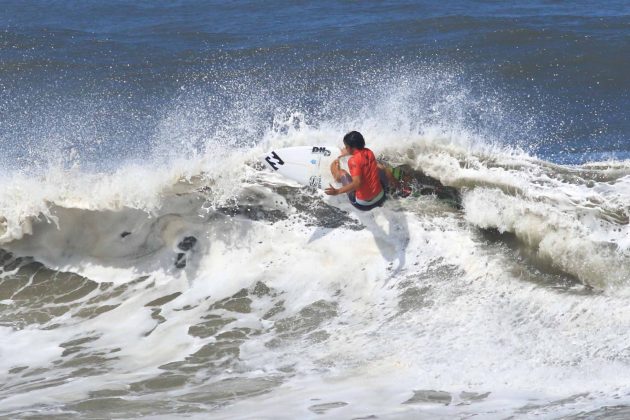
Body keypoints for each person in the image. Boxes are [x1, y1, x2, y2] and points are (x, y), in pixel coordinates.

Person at [325, 131, 396, 211]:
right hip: (381, 198)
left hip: (364, 205)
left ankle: (337, 175)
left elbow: (357, 183)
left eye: (346, 147)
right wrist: (397, 185)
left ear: (351, 147)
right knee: (379, 167)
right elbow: (383, 169)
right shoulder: (369, 152)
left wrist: (337, 191)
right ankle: (396, 187)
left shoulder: (353, 161)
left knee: (340, 171)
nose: (345, 148)